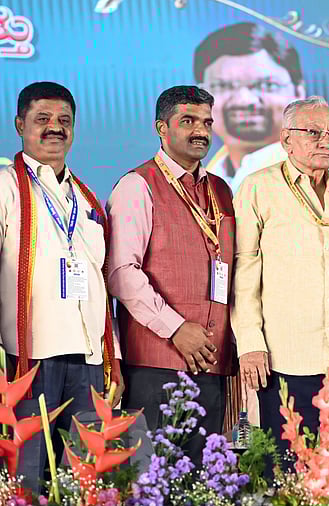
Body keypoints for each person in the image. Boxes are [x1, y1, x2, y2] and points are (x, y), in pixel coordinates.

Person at [231, 97, 329, 456]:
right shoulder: (258, 188)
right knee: (288, 474)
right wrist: (250, 342)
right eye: (314, 132)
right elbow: (244, 271)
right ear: (286, 139)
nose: (326, 141)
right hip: (286, 359)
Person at [106, 85, 236, 462]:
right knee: (154, 481)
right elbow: (121, 272)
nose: (201, 131)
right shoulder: (138, 185)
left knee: (201, 479)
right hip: (156, 362)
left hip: (213, 361)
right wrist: (176, 328)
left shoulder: (221, 190)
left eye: (207, 122)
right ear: (161, 128)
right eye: (188, 121)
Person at [5, 82, 122, 491]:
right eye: (43, 119)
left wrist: (114, 358)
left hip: (88, 357)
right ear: (20, 125)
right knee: (29, 475)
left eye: (64, 121)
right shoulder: (5, 186)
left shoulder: (86, 198)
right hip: (29, 358)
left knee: (85, 477)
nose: (55, 128)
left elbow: (99, 282)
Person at [194, 22, 329, 191]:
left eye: (266, 85)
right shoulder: (198, 181)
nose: (245, 100)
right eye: (224, 86)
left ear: (298, 91)